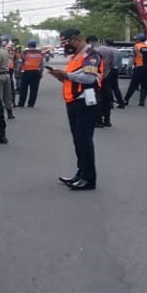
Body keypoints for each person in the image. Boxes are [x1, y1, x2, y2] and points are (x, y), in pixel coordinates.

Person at [46, 28, 102, 191]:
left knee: (84, 141)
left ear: (77, 40)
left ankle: (89, 179)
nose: (65, 46)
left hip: (86, 102)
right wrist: (61, 76)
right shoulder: (76, 57)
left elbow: (89, 78)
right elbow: (74, 80)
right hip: (74, 101)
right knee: (78, 140)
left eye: (66, 42)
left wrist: (67, 75)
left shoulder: (91, 56)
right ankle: (81, 173)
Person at [89, 36, 113, 128]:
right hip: (107, 75)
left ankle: (98, 121)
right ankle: (107, 120)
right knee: (106, 98)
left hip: (97, 77)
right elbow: (112, 64)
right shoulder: (109, 50)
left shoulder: (93, 52)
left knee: (98, 99)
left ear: (91, 42)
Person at [124, 33, 147, 107]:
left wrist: (128, 68)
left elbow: (131, 58)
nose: (135, 40)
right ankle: (142, 102)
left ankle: (126, 100)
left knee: (133, 85)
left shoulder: (136, 46)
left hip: (139, 67)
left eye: (136, 39)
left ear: (139, 39)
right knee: (145, 85)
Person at [16, 39, 45, 108]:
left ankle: (21, 103)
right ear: (35, 45)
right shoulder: (40, 53)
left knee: (23, 89)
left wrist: (18, 71)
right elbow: (42, 64)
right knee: (34, 89)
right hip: (36, 73)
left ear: (28, 45)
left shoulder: (25, 53)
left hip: (26, 72)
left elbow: (20, 62)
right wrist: (41, 72)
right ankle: (31, 104)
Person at [0, 36, 15, 120]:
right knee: (7, 95)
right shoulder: (5, 51)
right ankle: (10, 112)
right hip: (7, 74)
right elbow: (11, 58)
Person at [103, 39, 126, 108]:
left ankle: (110, 103)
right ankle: (121, 102)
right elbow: (120, 63)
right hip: (115, 70)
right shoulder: (118, 51)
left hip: (109, 69)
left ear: (106, 44)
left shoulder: (107, 51)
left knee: (108, 87)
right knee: (115, 87)